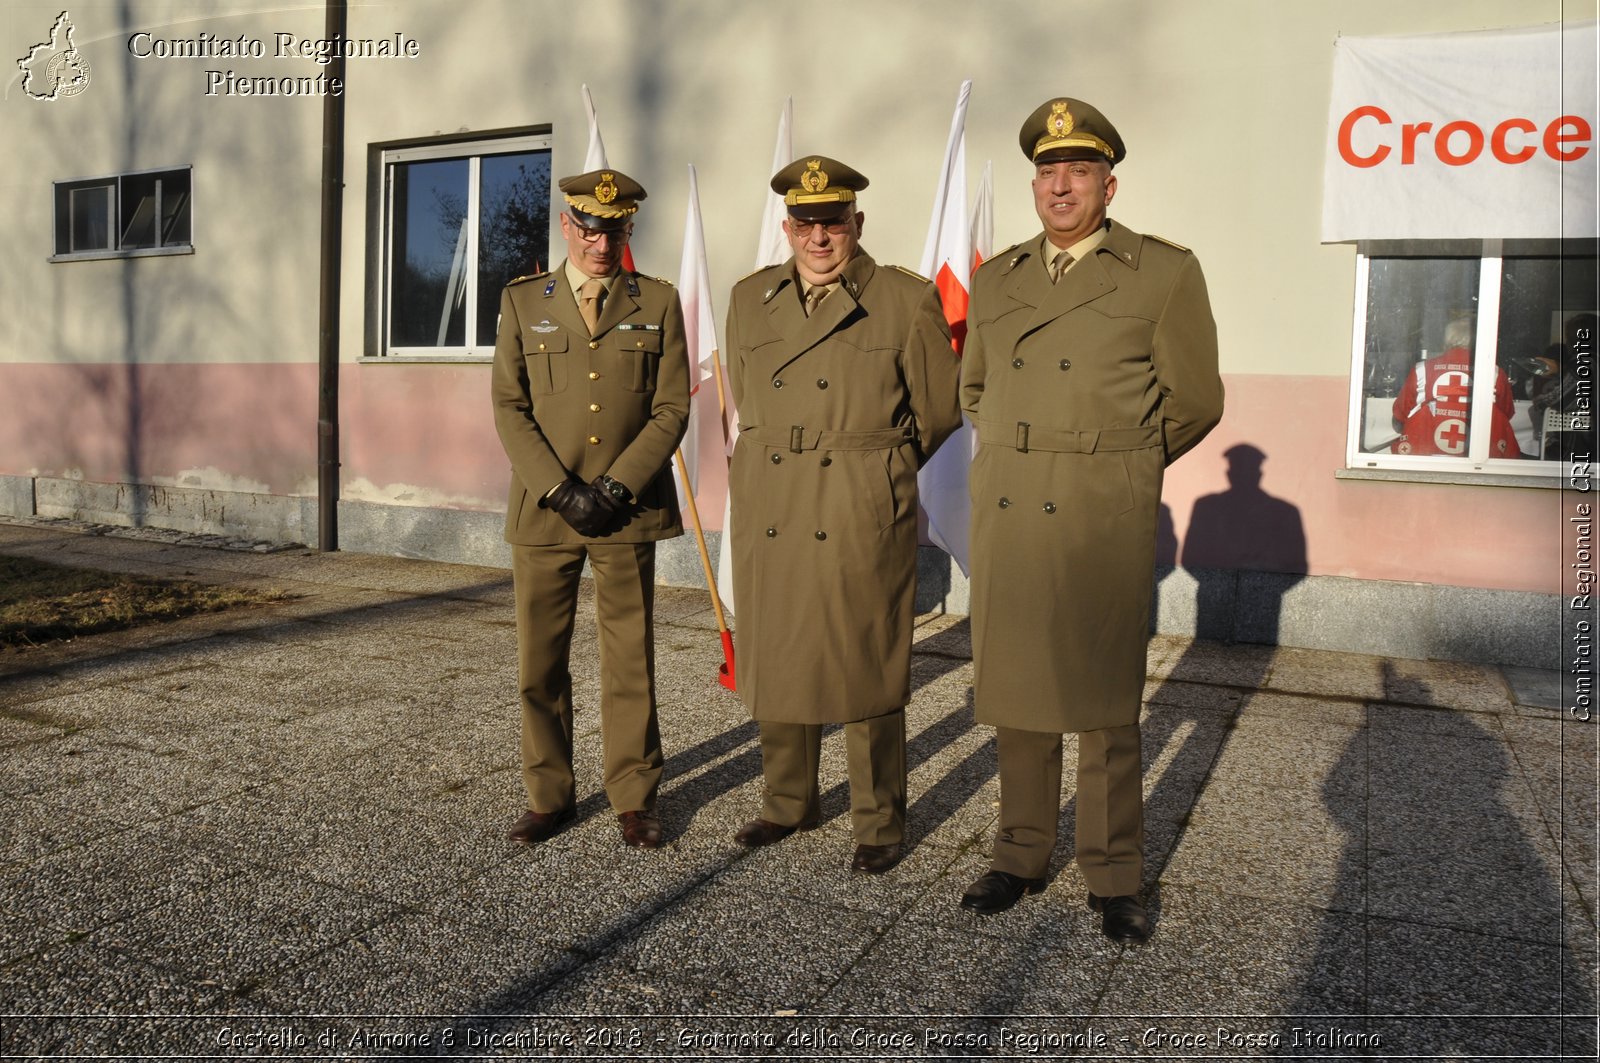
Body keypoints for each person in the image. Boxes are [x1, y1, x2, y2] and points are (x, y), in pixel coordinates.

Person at [959, 98, 1224, 943]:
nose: (1060, 185)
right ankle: (1020, 852)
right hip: (1012, 505)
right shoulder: (1000, 277)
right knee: (1020, 692)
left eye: (1078, 171)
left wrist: (1119, 465)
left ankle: (1114, 872)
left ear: (1109, 183)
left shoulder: (1162, 272)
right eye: (1047, 171)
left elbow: (1195, 402)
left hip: (1100, 511)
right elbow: (975, 390)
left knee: (1107, 703)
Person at [725, 156, 962, 873]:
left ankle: (879, 818)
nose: (819, 237)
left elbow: (940, 409)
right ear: (787, 225)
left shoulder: (902, 298)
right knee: (778, 644)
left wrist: (877, 468)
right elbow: (748, 395)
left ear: (856, 223)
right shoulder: (748, 298)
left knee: (868, 658)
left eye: (833, 222)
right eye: (805, 222)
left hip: (858, 496)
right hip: (773, 496)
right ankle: (787, 799)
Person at [491, 168, 689, 850]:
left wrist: (615, 487)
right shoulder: (523, 302)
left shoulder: (658, 301)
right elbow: (510, 408)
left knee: (629, 657)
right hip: (546, 510)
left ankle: (635, 796)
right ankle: (549, 795)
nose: (601, 241)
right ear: (568, 226)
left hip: (625, 511)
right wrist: (561, 488)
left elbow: (671, 407)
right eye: (588, 227)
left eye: (615, 229)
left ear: (628, 230)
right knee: (539, 662)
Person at [1390, 317, 1521, 458]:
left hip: (1424, 450)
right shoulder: (1493, 372)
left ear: (1447, 339)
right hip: (1481, 453)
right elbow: (1506, 412)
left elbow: (1401, 412)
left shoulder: (1422, 369)